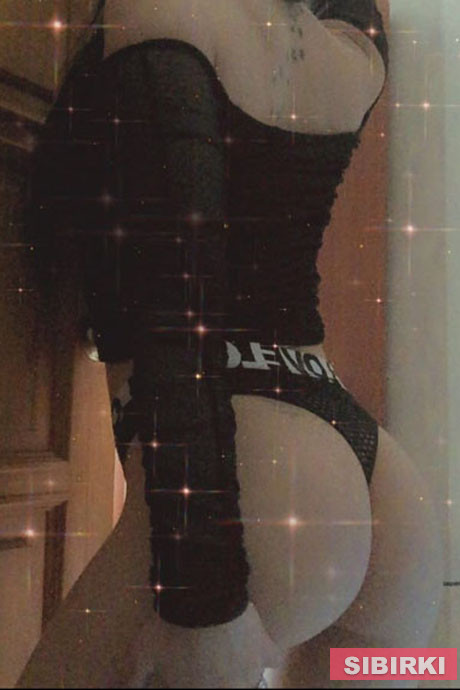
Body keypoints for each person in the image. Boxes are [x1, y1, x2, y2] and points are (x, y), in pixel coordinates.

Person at [18, 1, 444, 688]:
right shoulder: (354, 41)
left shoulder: (166, 14)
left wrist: (201, 604)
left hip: (265, 480)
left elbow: (178, 312)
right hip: (394, 512)